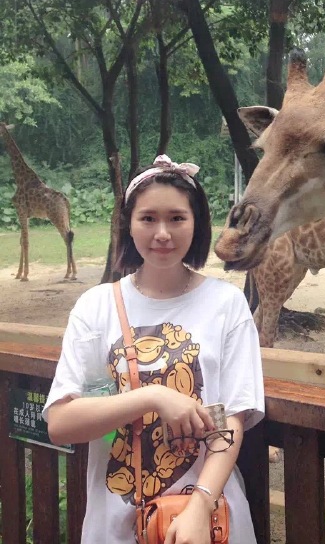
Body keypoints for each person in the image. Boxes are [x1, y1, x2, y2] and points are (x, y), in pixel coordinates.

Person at [44, 154, 264, 544]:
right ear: (128, 224)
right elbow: (61, 424)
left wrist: (200, 507)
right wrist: (153, 396)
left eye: (177, 218)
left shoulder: (227, 305)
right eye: (148, 218)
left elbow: (231, 419)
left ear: (196, 224)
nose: (162, 233)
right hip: (115, 527)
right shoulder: (95, 307)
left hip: (208, 522)